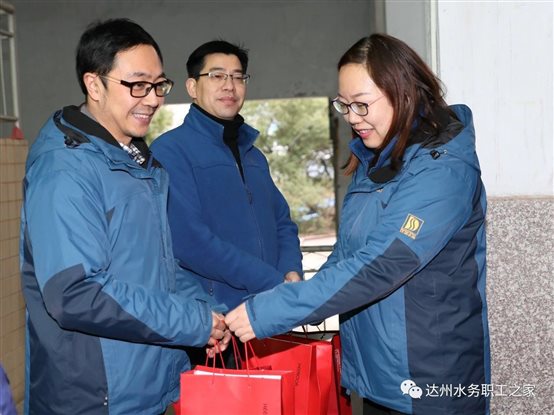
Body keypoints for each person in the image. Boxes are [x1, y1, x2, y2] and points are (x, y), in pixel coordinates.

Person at [226, 33, 490, 415]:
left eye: (362, 104)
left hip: (430, 379)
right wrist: (304, 294)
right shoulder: (376, 159)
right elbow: (350, 253)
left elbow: (383, 263)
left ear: (403, 93)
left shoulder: (442, 169)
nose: (351, 117)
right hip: (378, 375)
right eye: (344, 104)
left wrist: (275, 310)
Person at [20, 19, 229, 415]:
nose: (152, 99)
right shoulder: (65, 170)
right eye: (137, 85)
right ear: (94, 84)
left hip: (148, 383)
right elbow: (75, 293)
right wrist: (190, 321)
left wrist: (206, 311)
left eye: (158, 85)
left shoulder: (136, 162)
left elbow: (156, 267)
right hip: (97, 397)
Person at [150, 40, 303, 313]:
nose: (229, 86)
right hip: (216, 316)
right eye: (217, 76)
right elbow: (190, 241)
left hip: (268, 310)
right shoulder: (170, 151)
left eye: (237, 77)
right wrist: (272, 282)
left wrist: (291, 271)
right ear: (192, 87)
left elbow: (283, 224)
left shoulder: (254, 157)